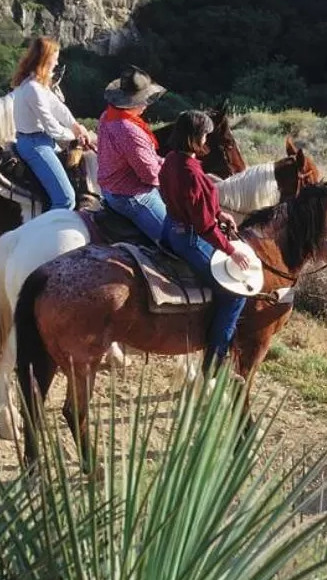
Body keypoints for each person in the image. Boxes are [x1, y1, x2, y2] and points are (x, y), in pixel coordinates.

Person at [159, 109, 262, 376]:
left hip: (169, 229)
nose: (207, 139)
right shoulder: (193, 172)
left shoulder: (171, 159)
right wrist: (231, 251)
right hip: (189, 239)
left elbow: (195, 204)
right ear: (195, 137)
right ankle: (214, 362)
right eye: (205, 134)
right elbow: (204, 226)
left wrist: (219, 212)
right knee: (235, 294)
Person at [11, 37, 92, 210]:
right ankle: (50, 234)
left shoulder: (37, 85)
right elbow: (52, 127)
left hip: (41, 141)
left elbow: (58, 107)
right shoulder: (33, 88)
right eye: (54, 59)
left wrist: (75, 126)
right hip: (35, 145)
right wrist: (75, 136)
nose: (56, 64)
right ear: (45, 60)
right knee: (66, 199)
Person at [97, 68, 170, 247]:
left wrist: (166, 163)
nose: (147, 104)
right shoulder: (129, 130)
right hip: (133, 196)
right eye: (145, 99)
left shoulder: (107, 115)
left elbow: (145, 158)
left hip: (109, 189)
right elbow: (150, 176)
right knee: (178, 241)